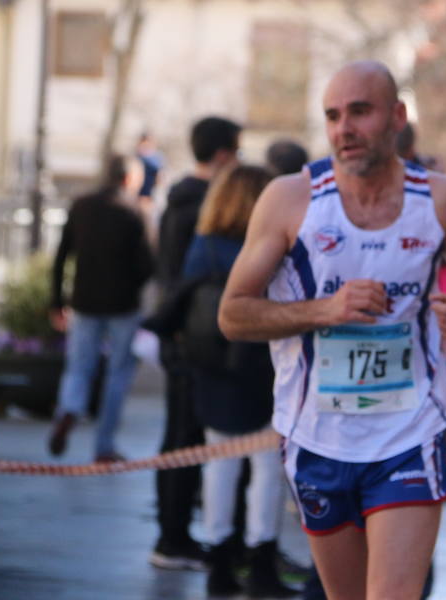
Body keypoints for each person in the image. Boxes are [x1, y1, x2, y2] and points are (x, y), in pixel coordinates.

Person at [218, 60, 446, 600]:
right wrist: (325, 310)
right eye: (332, 115)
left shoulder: (439, 199)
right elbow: (233, 314)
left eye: (360, 112)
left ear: (397, 116)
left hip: (408, 432)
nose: (344, 128)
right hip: (317, 436)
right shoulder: (291, 200)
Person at [177, 164, 297, 597]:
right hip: (259, 368)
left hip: (212, 369)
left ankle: (219, 561)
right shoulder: (260, 248)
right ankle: (261, 559)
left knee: (219, 463)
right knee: (266, 468)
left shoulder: (203, 246)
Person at [150, 116, 241, 570]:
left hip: (180, 333)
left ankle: (174, 533)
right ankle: (173, 537)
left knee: (179, 435)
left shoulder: (176, 204)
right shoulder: (205, 209)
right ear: (223, 154)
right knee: (186, 438)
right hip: (195, 337)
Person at [48, 154, 154, 463]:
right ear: (129, 179)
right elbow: (147, 264)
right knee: (118, 374)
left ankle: (69, 409)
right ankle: (104, 446)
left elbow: (60, 255)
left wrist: (57, 301)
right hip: (123, 305)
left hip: (84, 301)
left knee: (79, 366)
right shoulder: (134, 211)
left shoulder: (82, 206)